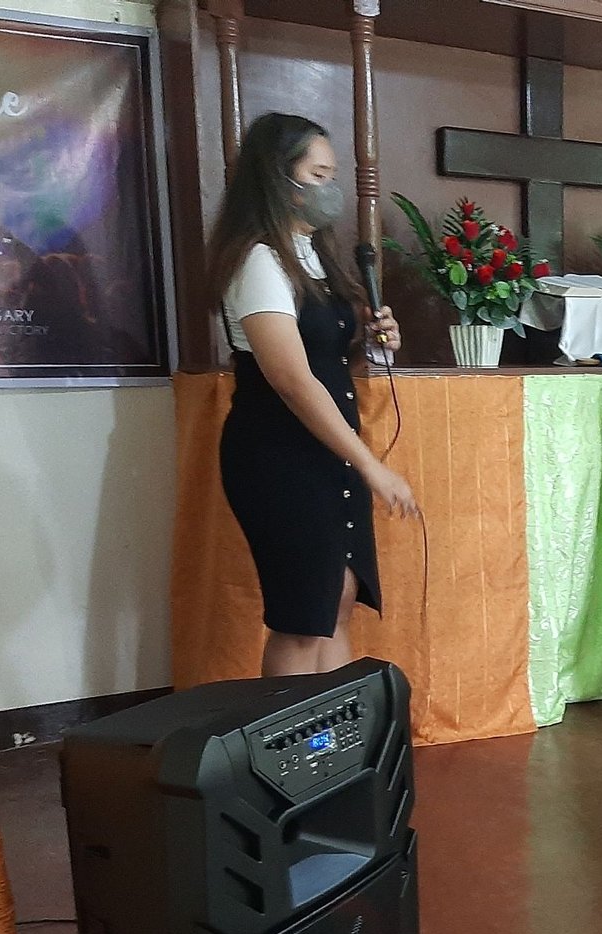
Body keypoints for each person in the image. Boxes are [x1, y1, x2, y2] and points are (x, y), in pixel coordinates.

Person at [206, 112, 419, 678]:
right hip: (279, 455)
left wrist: (375, 346)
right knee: (304, 618)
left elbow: (326, 360)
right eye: (318, 176)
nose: (331, 191)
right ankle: (293, 758)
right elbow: (292, 380)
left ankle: (337, 747)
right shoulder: (257, 260)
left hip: (329, 448)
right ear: (280, 180)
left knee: (339, 601)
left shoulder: (319, 257)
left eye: (332, 176)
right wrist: (372, 466)